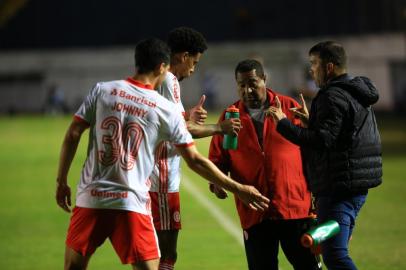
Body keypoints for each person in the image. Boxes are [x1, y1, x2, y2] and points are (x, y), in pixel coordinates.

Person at [55, 38, 269, 270]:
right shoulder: (162, 108)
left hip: (91, 197)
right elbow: (195, 160)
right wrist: (239, 188)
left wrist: (61, 181)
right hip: (130, 201)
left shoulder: (103, 90)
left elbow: (73, 134)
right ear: (161, 68)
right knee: (157, 263)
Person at [267, 41, 382, 269]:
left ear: (329, 67)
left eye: (314, 64)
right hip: (355, 186)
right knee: (333, 252)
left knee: (335, 257)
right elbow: (342, 134)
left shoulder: (331, 96)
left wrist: (282, 123)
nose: (311, 70)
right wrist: (312, 122)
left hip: (338, 188)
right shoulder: (355, 92)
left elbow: (322, 141)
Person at [208, 59, 321, 270]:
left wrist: (317, 194)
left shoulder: (289, 107)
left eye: (252, 83)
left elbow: (313, 153)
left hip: (295, 209)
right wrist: (217, 184)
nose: (247, 90)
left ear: (264, 80)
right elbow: (218, 160)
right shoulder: (229, 115)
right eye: (241, 85)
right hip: (255, 212)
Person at [149, 27, 242, 270]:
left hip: (151, 176)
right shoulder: (169, 79)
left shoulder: (160, 78)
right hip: (161, 179)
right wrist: (220, 128)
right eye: (194, 62)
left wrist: (187, 115)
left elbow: (171, 121)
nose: (193, 69)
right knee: (166, 254)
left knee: (155, 253)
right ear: (183, 55)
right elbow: (180, 130)